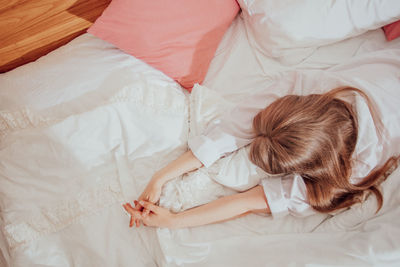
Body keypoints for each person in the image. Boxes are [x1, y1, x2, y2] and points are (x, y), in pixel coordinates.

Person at [122, 80, 399, 229]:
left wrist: (173, 221)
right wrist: (161, 177)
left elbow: (246, 202)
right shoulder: (299, 83)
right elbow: (227, 133)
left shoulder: (352, 169)